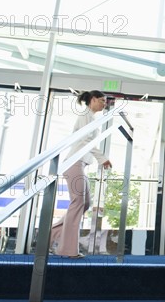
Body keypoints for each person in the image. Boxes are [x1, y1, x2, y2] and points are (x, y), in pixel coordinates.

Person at [51, 90, 112, 258]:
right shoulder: (86, 115)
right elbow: (86, 141)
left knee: (85, 203)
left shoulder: (91, 117)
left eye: (105, 101)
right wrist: (102, 158)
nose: (104, 104)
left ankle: (52, 235)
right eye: (101, 100)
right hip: (74, 163)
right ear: (92, 100)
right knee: (78, 202)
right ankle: (68, 250)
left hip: (79, 164)